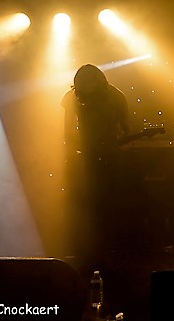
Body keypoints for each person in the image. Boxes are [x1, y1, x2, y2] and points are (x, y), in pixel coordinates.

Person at [61, 64, 131, 272]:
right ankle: (94, 250)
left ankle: (99, 251)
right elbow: (67, 132)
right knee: (92, 205)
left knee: (100, 205)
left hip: (105, 158)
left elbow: (126, 129)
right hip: (90, 158)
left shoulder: (116, 97)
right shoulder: (74, 97)